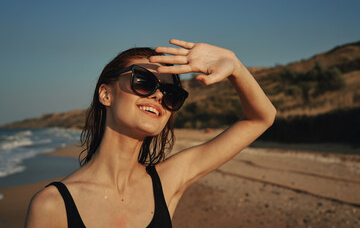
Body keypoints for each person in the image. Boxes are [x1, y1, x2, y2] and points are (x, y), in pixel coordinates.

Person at [25, 39, 276, 227]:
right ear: (106, 93)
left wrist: (235, 66)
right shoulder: (51, 205)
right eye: (143, 82)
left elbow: (261, 118)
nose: (158, 95)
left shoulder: (168, 181)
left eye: (171, 94)